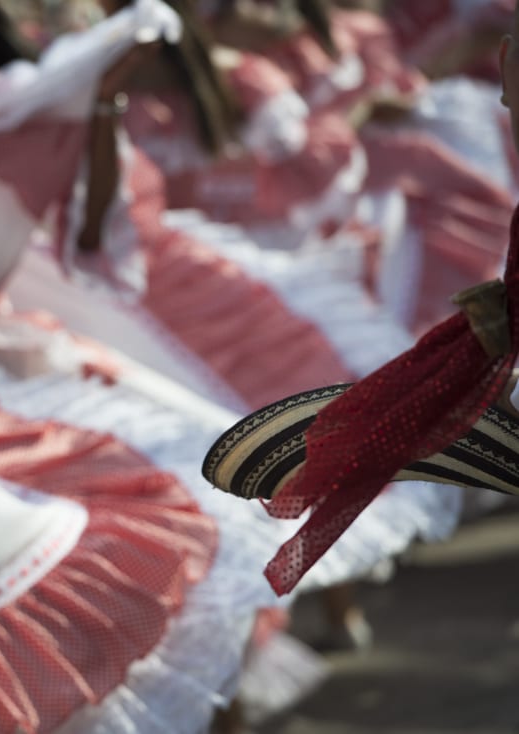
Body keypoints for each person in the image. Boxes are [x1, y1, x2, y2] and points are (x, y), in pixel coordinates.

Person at [203, 0, 519, 596]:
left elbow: (402, 90)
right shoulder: (251, 70)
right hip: (340, 226)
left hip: (412, 195)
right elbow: (293, 165)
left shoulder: (356, 36)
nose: (245, 14)